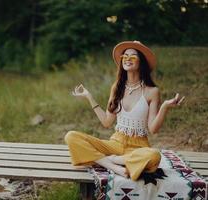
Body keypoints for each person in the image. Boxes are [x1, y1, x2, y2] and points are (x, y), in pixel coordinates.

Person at [64, 41, 185, 181]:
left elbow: (153, 129)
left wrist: (164, 107)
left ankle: (110, 160)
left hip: (138, 148)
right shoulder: (117, 87)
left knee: (154, 156)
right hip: (115, 143)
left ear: (142, 62)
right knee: (71, 136)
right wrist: (89, 97)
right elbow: (107, 122)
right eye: (125, 56)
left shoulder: (152, 91)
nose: (127, 59)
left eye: (133, 56)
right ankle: (111, 165)